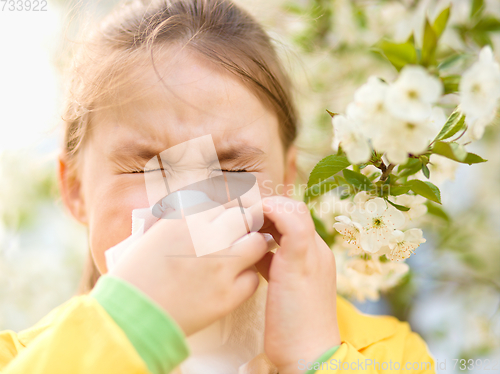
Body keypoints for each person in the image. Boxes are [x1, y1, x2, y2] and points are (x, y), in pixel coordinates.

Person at [0, 0, 436, 373]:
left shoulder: (384, 354)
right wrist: (127, 326)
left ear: (285, 182)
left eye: (230, 169)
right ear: (75, 191)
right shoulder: (22, 359)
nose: (187, 208)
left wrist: (315, 359)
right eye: (143, 168)